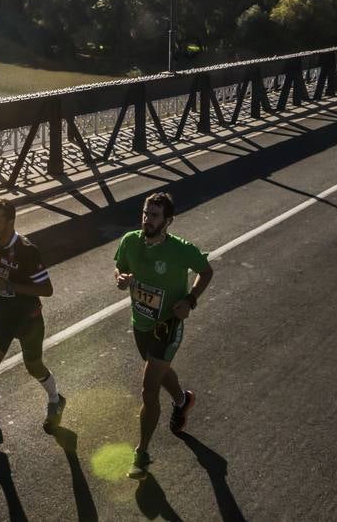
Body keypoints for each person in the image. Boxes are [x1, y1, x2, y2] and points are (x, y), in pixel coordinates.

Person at [113, 191, 214, 480]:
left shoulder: (181, 250)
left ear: (168, 221)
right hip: (141, 323)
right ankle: (183, 400)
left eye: (154, 216)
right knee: (159, 370)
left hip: (168, 325)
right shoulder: (130, 241)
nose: (147, 220)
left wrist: (190, 300)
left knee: (148, 387)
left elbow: (206, 271)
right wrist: (121, 279)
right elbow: (120, 266)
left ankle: (141, 454)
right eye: (145, 213)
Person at [0, 198, 64, 452]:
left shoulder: (27, 250)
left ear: (11, 221)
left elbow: (47, 289)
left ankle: (55, 398)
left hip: (29, 319)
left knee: (34, 367)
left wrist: (9, 287)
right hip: (3, 318)